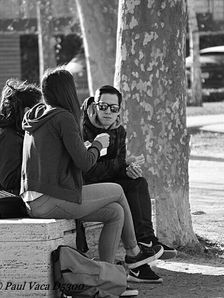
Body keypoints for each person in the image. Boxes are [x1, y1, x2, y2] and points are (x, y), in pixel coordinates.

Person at [20, 67, 163, 290]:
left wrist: (87, 148)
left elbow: (58, 158)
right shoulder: (64, 117)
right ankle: (134, 253)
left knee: (115, 213)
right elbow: (85, 163)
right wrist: (98, 145)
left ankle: (105, 281)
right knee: (117, 190)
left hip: (34, 199)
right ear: (67, 90)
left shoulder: (38, 116)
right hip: (51, 198)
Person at [81, 85, 177, 284]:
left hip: (107, 181)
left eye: (114, 108)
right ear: (94, 105)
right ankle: (137, 261)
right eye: (103, 106)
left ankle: (147, 241)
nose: (108, 112)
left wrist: (127, 169)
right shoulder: (82, 128)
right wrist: (121, 164)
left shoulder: (119, 131)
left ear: (119, 110)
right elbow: (88, 170)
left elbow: (117, 165)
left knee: (137, 182)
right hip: (87, 186)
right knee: (121, 195)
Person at [0, 79, 41, 194]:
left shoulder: (12, 132)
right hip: (7, 204)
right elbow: (9, 181)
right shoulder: (9, 137)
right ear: (27, 111)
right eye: (40, 109)